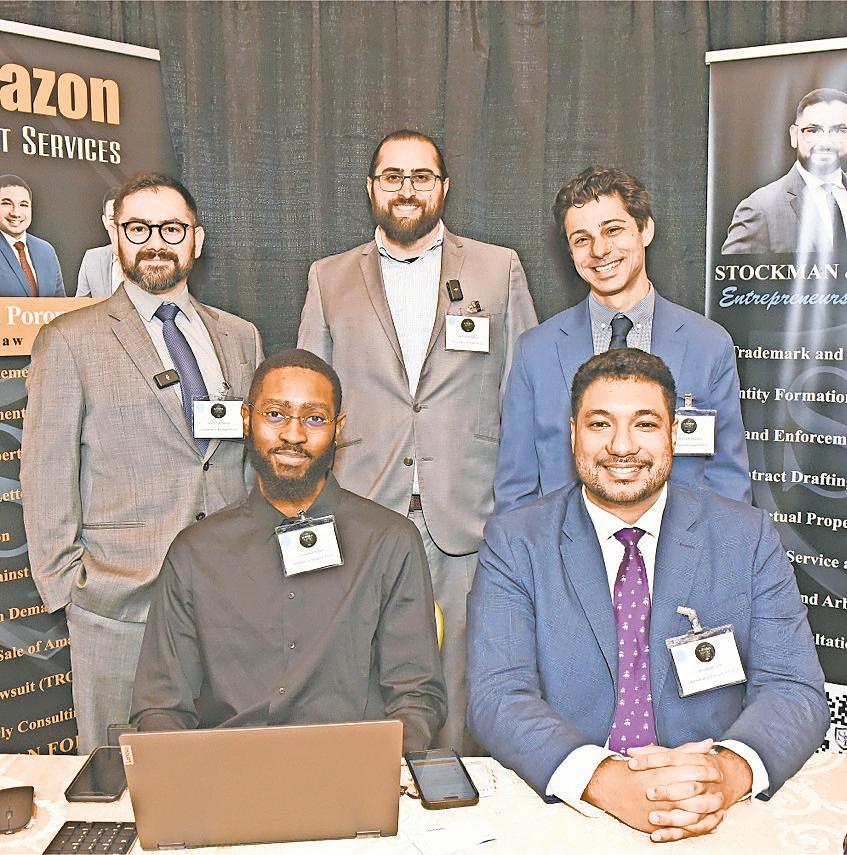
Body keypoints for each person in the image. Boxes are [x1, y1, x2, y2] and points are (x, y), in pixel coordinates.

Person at [468, 348, 828, 843]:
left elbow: (793, 688)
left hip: (709, 807)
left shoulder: (746, 537)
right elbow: (498, 695)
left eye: (645, 424)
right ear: (572, 434)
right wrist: (603, 780)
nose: (622, 446)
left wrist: (725, 775)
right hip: (571, 807)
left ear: (673, 434)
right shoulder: (517, 542)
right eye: (600, 424)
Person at [297, 129, 537, 752]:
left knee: (463, 680)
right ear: (372, 187)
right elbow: (308, 407)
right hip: (362, 512)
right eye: (393, 176)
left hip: (466, 516)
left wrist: (518, 512)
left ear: (444, 187)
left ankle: (454, 794)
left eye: (422, 177)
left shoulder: (498, 269)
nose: (407, 189)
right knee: (359, 672)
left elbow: (523, 397)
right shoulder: (329, 277)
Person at [21, 172, 263, 753]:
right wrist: (69, 588)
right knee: (120, 777)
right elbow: (46, 473)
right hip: (117, 609)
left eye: (172, 229)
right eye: (138, 229)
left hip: (229, 605)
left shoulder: (240, 338)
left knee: (225, 771)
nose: (156, 242)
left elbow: (249, 465)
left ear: (197, 240)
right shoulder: (69, 340)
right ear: (114, 236)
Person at [131, 349, 447, 751]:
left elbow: (416, 696)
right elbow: (161, 706)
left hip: (351, 767)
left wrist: (378, 765)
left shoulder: (389, 542)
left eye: (314, 418)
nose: (293, 435)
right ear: (246, 420)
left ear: (338, 429)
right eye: (275, 414)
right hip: (229, 769)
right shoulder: (195, 553)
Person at [495, 166, 749, 513]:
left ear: (645, 229)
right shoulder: (536, 351)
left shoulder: (708, 344)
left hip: (680, 543)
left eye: (612, 230)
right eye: (582, 239)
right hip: (563, 543)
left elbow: (729, 483)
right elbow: (516, 489)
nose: (600, 250)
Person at [722, 88, 847, 255]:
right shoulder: (759, 208)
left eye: (838, 130)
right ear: (794, 136)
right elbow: (733, 271)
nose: (825, 142)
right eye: (813, 130)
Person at [0, 174, 65, 297]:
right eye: (7, 203)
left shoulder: (46, 251)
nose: (16, 213)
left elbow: (60, 302)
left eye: (23, 205)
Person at [76, 188, 122, 297]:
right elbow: (81, 304)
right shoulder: (91, 259)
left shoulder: (148, 258)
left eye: (122, 218)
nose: (117, 224)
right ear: (104, 221)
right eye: (112, 219)